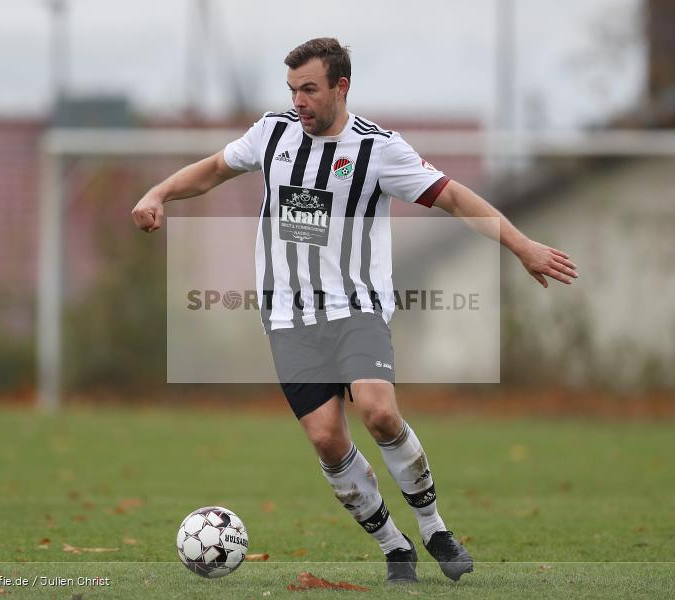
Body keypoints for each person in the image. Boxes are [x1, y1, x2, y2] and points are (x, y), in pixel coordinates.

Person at [132, 37, 578, 584]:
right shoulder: (272, 134)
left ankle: (434, 528)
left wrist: (523, 246)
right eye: (293, 89)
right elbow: (213, 170)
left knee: (379, 411)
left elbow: (456, 197)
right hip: (287, 316)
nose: (299, 100)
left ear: (342, 87)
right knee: (326, 438)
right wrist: (158, 194)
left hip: (357, 306)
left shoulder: (379, 149)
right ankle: (395, 547)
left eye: (310, 89)